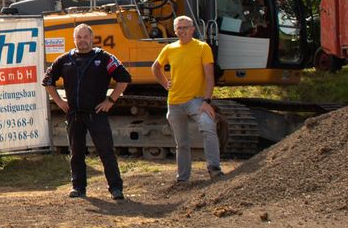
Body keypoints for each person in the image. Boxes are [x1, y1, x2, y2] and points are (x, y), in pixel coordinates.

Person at [42, 23, 131, 200]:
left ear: (92, 38)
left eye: (85, 37)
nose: (82, 40)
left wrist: (111, 100)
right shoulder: (65, 59)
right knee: (76, 152)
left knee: (106, 151)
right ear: (74, 40)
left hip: (96, 113)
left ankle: (115, 188)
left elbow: (124, 78)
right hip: (74, 114)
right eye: (79, 37)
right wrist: (59, 101)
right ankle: (78, 187)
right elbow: (47, 80)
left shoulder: (104, 58)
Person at [151, 15, 224, 183]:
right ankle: (183, 179)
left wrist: (207, 101)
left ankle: (214, 168)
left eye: (186, 27)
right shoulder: (170, 49)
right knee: (181, 143)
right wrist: (164, 83)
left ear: (193, 29)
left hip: (196, 101)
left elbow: (209, 76)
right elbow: (155, 67)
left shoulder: (202, 47)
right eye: (179, 28)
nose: (183, 31)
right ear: (175, 31)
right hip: (174, 102)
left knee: (208, 125)